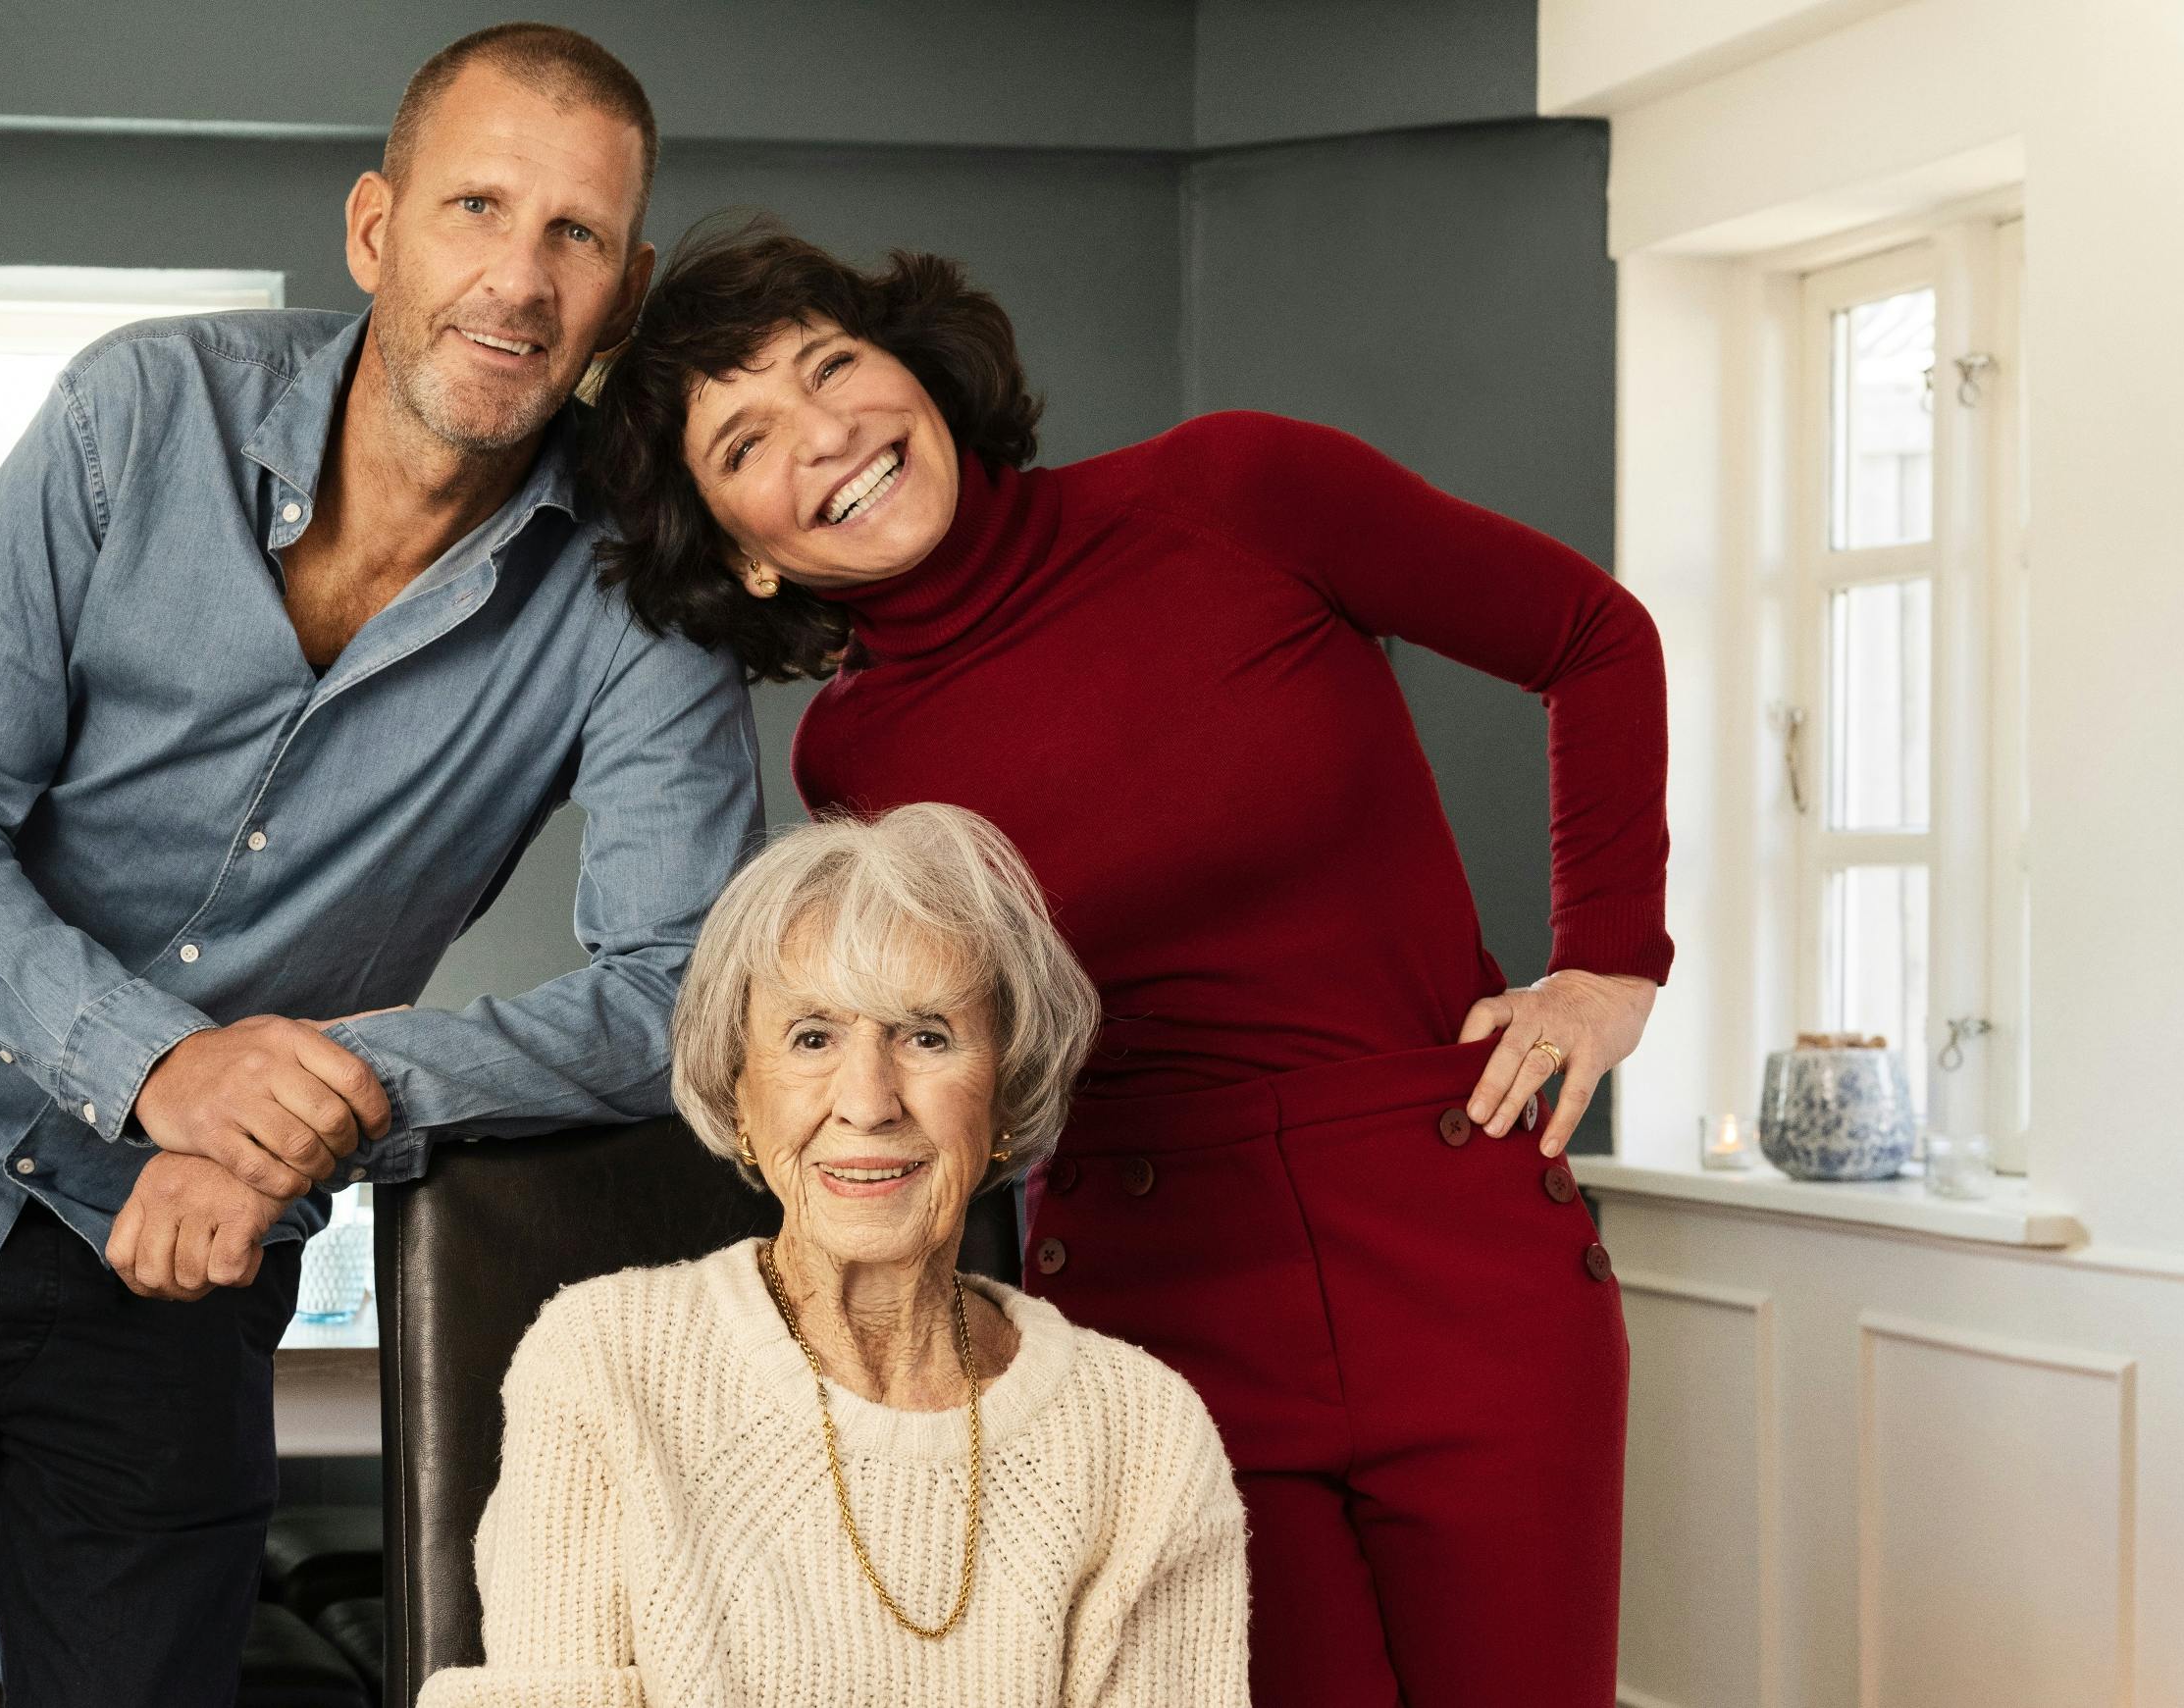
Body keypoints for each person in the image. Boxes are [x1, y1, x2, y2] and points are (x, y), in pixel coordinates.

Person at [0, 27, 761, 1706]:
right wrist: (164, 1066)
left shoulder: (635, 595)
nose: (520, 279)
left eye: (578, 236)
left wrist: (304, 1101)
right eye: (477, 205)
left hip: (177, 1253)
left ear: (619, 299)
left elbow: (672, 996)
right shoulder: (137, 414)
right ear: (372, 231)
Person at [581, 217, 1672, 1707]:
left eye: (833, 364)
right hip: (1159, 1293)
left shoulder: (1235, 489)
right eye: (746, 440)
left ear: (919, 366)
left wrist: (1606, 964)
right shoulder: (856, 755)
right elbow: (931, 1066)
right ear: (739, 557)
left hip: (1454, 1236)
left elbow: (1590, 635)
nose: (825, 433)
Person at [424, 803, 1248, 1708]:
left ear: (1005, 1095)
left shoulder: (1143, 1435)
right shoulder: (602, 1361)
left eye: (925, 1035)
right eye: (812, 1037)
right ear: (739, 1091)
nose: (867, 1100)